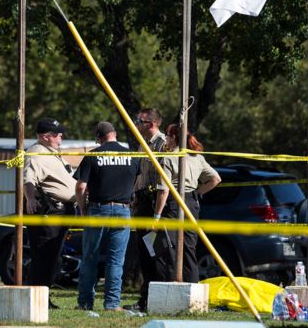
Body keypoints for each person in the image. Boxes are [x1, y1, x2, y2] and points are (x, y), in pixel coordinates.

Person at [75, 121, 140, 311]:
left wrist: (83, 208)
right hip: (122, 210)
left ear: (98, 138)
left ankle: (85, 303)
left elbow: (80, 187)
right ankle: (112, 304)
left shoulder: (92, 156)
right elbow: (137, 180)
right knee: (116, 261)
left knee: (90, 257)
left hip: (97, 209)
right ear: (115, 134)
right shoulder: (132, 156)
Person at [152, 124, 221, 285]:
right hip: (191, 203)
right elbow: (216, 179)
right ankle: (192, 287)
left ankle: (170, 287)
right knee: (189, 249)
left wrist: (156, 216)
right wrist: (197, 193)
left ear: (174, 137)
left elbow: (163, 191)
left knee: (169, 248)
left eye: (168, 136)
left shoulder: (169, 158)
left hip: (173, 204)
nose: (165, 139)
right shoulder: (197, 157)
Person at [22, 117, 76, 309]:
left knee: (53, 257)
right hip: (49, 212)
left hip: (60, 212)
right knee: (45, 256)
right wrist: (30, 199)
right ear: (46, 137)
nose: (61, 136)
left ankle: (41, 298)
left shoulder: (52, 153)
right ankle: (36, 299)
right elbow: (28, 179)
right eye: (57, 134)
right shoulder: (36, 154)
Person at [130, 107, 167, 311]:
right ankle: (145, 299)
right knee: (144, 252)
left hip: (155, 204)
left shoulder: (162, 144)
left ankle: (157, 300)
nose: (137, 124)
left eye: (140, 120)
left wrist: (157, 214)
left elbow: (164, 179)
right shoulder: (143, 145)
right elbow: (140, 176)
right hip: (142, 203)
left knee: (157, 253)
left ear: (151, 124)